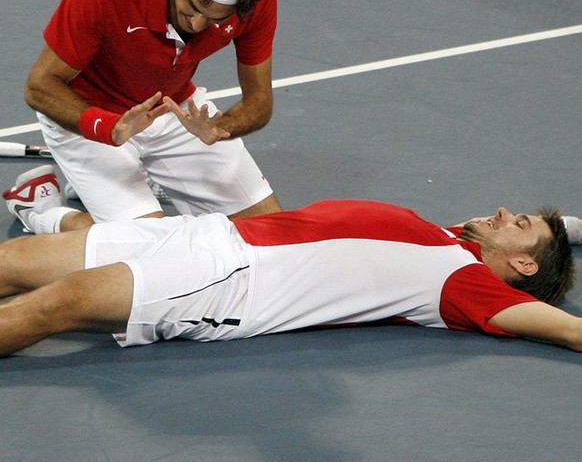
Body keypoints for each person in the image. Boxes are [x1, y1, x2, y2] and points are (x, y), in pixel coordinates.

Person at [0, 198, 580, 357]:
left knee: (58, 305)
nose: (504, 212)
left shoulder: (466, 285)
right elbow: (563, 230)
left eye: (520, 223)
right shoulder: (451, 239)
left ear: (523, 265)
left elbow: (564, 329)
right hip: (207, 235)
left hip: (229, 280)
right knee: (17, 259)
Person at [3, 0, 281, 235]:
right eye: (192, 7)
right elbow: (39, 87)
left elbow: (260, 100)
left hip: (170, 108)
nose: (198, 26)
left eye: (215, 20)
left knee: (268, 235)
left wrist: (220, 128)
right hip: (91, 115)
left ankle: (139, 175)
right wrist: (111, 128)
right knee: (150, 251)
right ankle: (42, 208)